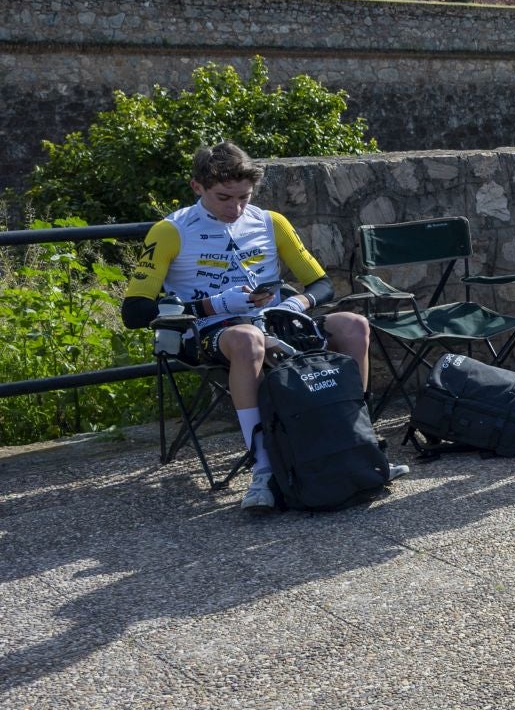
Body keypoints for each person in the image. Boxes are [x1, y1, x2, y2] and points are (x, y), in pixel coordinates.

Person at [121, 142, 380, 516]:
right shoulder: (170, 230)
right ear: (197, 188)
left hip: (275, 321)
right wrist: (215, 304)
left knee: (354, 325)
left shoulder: (270, 222)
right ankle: (263, 469)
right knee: (247, 339)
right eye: (224, 197)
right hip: (207, 330)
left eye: (244, 197)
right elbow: (134, 311)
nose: (236, 208)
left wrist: (295, 304)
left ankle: (360, 444)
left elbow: (321, 284)